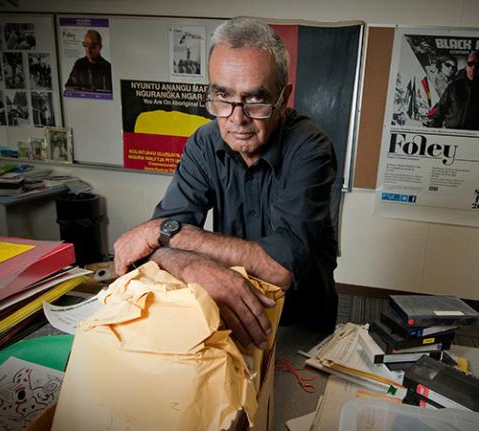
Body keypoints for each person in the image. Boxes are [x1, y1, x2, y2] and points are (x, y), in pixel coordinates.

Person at [114, 17, 338, 350]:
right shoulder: (204, 143)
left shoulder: (311, 147)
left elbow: (280, 267)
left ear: (283, 96)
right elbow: (157, 248)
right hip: (229, 313)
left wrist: (174, 232)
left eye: (255, 99)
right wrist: (193, 265)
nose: (236, 119)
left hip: (300, 324)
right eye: (223, 96)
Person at [429, 51, 479, 131]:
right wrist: (432, 133)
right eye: (470, 63)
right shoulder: (453, 87)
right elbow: (440, 111)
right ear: (466, 66)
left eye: (478, 65)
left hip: (472, 138)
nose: (473, 67)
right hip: (451, 135)